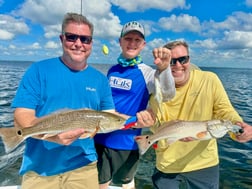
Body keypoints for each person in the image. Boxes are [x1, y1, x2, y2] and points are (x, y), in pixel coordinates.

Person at [11, 13, 152, 189]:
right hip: (39, 168)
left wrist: (139, 120)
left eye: (85, 39)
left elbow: (109, 116)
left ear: (91, 43)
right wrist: (53, 137)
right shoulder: (38, 70)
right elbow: (21, 115)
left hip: (84, 167)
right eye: (71, 37)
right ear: (62, 38)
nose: (78, 43)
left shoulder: (101, 80)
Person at [143, 40, 252, 189]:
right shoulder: (156, 89)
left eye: (183, 59)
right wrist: (148, 121)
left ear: (189, 59)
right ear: (164, 63)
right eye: (172, 61)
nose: (178, 65)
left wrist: (238, 127)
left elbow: (224, 110)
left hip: (204, 162)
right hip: (167, 161)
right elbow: (157, 123)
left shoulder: (209, 79)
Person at [94, 21, 175, 189]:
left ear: (143, 44)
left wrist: (165, 69)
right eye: (128, 38)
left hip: (128, 143)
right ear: (120, 41)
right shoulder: (112, 70)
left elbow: (168, 95)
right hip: (101, 139)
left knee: (127, 183)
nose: (132, 43)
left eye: (137, 40)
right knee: (100, 184)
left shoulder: (148, 73)